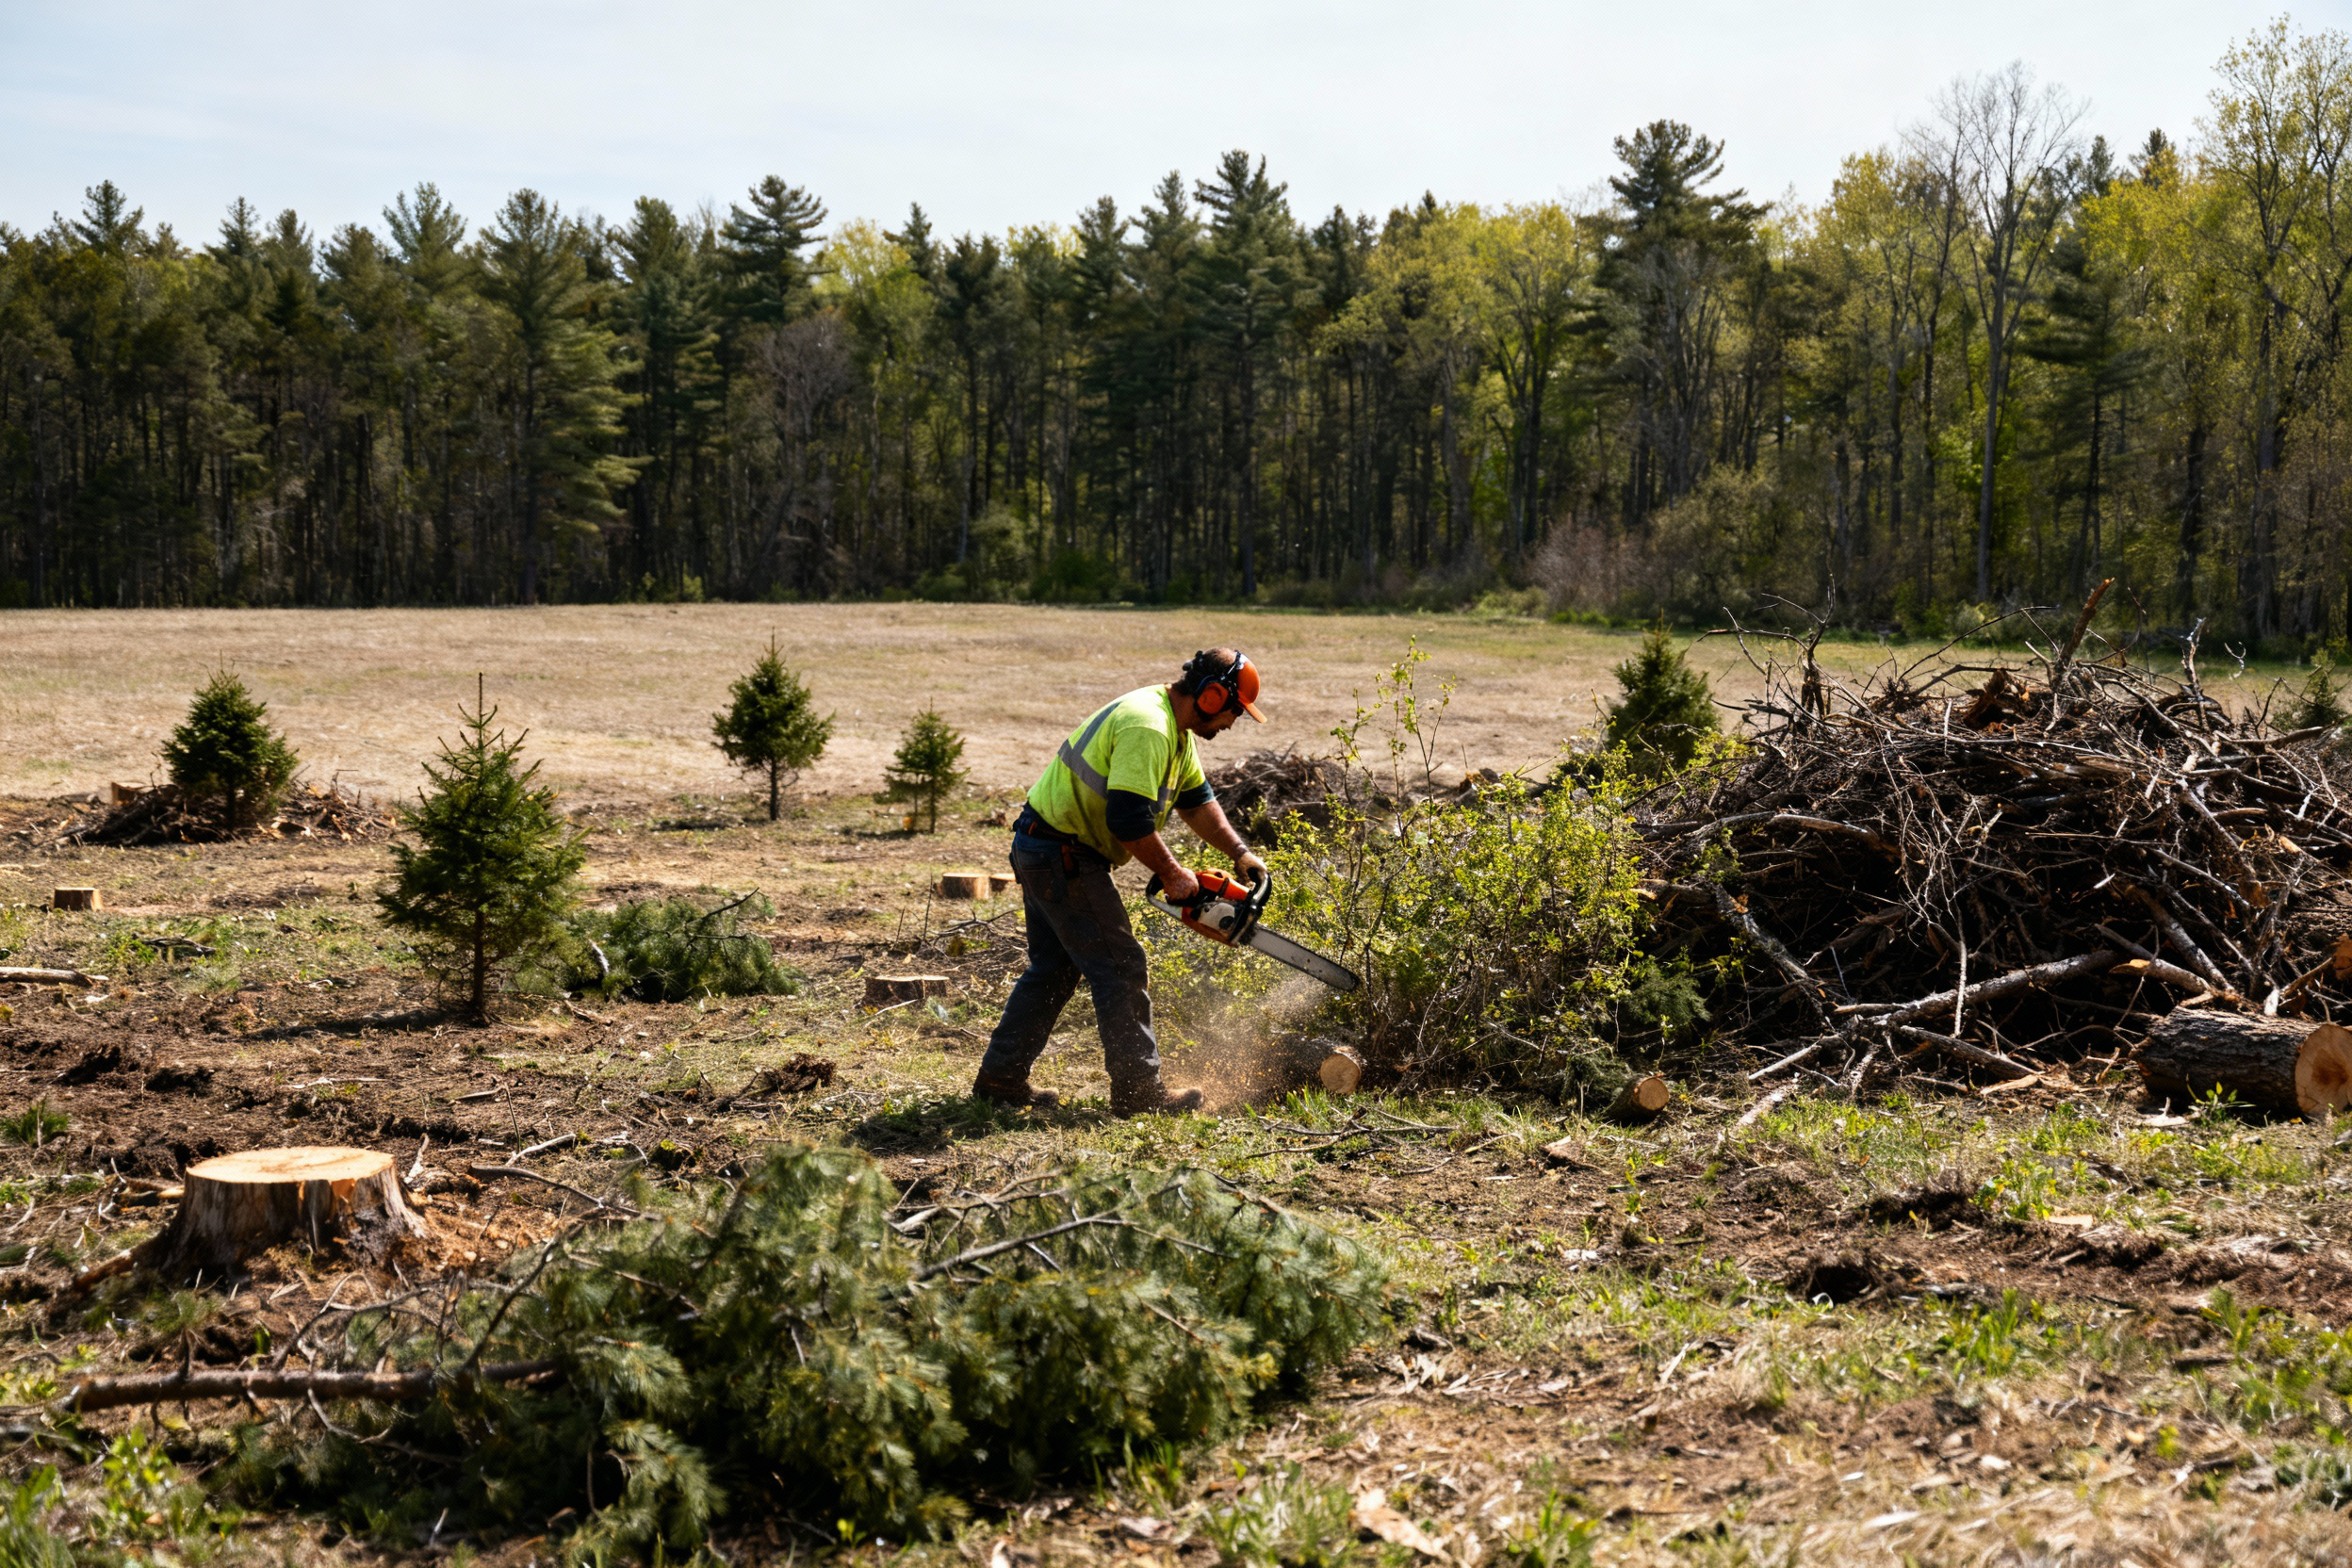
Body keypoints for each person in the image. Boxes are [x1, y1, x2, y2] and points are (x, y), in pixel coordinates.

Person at [972, 648, 1270, 1116]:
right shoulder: (1147, 727)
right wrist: (1172, 874)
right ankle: (1138, 1092)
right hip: (1063, 853)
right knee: (1120, 966)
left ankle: (1000, 1079)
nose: (1233, 723)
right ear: (1213, 696)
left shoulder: (1175, 732)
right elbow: (1128, 822)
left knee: (1054, 968)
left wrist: (1239, 852)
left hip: (1043, 845)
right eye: (1234, 711)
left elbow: (1196, 802)